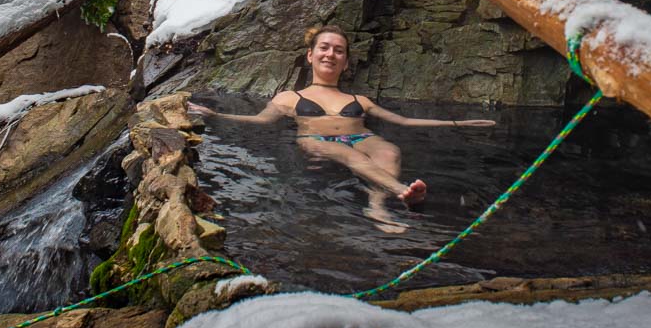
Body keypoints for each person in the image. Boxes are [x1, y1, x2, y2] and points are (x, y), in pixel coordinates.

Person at [188, 25, 496, 233]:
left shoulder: (358, 99)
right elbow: (260, 121)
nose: (330, 54)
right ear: (310, 55)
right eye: (324, 48)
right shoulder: (290, 97)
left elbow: (403, 122)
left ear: (346, 62)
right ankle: (403, 193)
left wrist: (460, 122)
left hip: (360, 135)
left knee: (390, 149)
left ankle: (377, 207)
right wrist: (215, 115)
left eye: (338, 50)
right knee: (353, 158)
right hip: (315, 138)